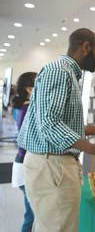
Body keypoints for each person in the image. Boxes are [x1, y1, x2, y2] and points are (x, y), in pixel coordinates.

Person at [17, 28, 95, 232]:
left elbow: (59, 125)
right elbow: (50, 125)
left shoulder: (68, 74)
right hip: (52, 166)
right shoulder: (60, 71)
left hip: (53, 164)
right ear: (86, 47)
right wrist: (94, 150)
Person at [11, 72, 37, 232]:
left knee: (32, 213)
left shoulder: (25, 106)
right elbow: (26, 140)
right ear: (29, 89)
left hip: (24, 164)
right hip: (25, 166)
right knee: (32, 215)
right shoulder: (28, 108)